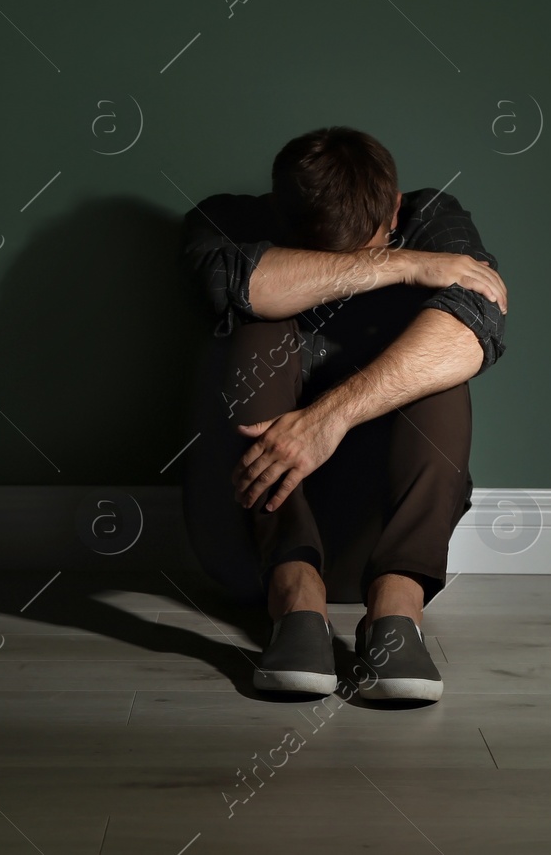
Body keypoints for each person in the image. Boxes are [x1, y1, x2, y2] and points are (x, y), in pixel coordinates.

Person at [177, 126, 508, 701]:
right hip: (247, 537)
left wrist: (326, 420)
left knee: (437, 364)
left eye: (373, 244)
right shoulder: (225, 219)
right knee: (259, 329)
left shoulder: (433, 216)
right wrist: (395, 265)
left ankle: (397, 613)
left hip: (380, 538)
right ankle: (296, 603)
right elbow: (238, 284)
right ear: (278, 219)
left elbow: (475, 330)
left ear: (396, 208)